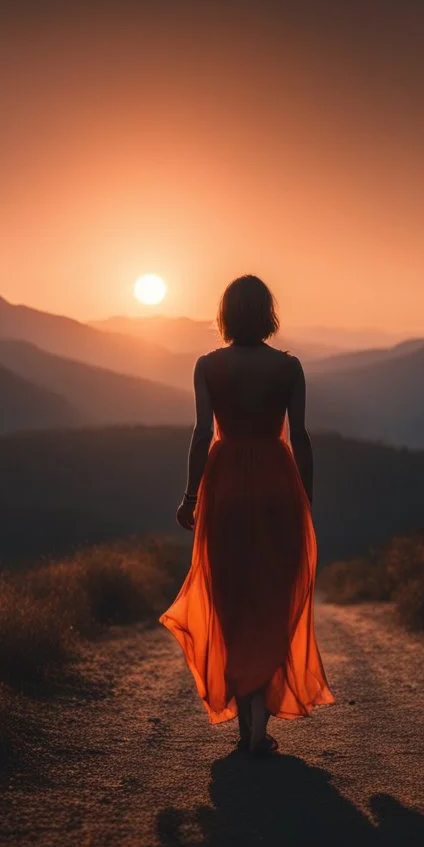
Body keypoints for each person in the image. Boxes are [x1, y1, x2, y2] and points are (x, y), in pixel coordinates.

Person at [159, 275, 334, 755]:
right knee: (273, 595)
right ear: (268, 314)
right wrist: (307, 499)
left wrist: (190, 496)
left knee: (230, 598)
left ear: (225, 315)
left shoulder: (207, 366)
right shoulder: (289, 368)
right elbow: (300, 437)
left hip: (227, 484)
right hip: (279, 484)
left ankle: (246, 722)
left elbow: (201, 435)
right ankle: (260, 720)